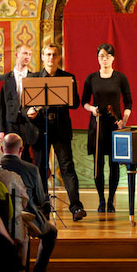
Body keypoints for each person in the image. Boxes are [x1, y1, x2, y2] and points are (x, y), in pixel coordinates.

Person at [26, 43, 86, 222]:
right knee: (40, 168)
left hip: (60, 128)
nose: (51, 58)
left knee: (67, 167)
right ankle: (42, 205)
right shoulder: (34, 77)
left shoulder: (68, 77)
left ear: (59, 58)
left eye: (54, 55)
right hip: (40, 128)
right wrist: (30, 112)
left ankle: (76, 207)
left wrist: (66, 93)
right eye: (48, 55)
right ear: (43, 57)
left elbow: (75, 103)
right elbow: (26, 105)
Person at [82, 43, 132, 213]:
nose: (105, 59)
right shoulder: (91, 78)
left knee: (114, 164)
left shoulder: (120, 78)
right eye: (101, 56)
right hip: (97, 126)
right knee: (98, 165)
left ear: (113, 58)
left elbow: (128, 101)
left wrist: (124, 119)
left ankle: (111, 200)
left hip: (115, 125)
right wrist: (92, 109)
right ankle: (101, 200)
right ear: (98, 58)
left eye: (108, 56)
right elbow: (84, 102)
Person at [0, 133, 57, 272]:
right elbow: (40, 199)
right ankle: (38, 269)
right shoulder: (31, 169)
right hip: (26, 216)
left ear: (2, 149)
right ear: (21, 150)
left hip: (0, 217)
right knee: (51, 232)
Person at [0, 44, 37, 162]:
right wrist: (0, 130)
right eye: (25, 53)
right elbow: (0, 106)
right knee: (10, 159)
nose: (27, 57)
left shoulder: (34, 78)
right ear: (16, 55)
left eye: (29, 54)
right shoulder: (3, 79)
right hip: (10, 124)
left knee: (27, 159)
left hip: (29, 125)